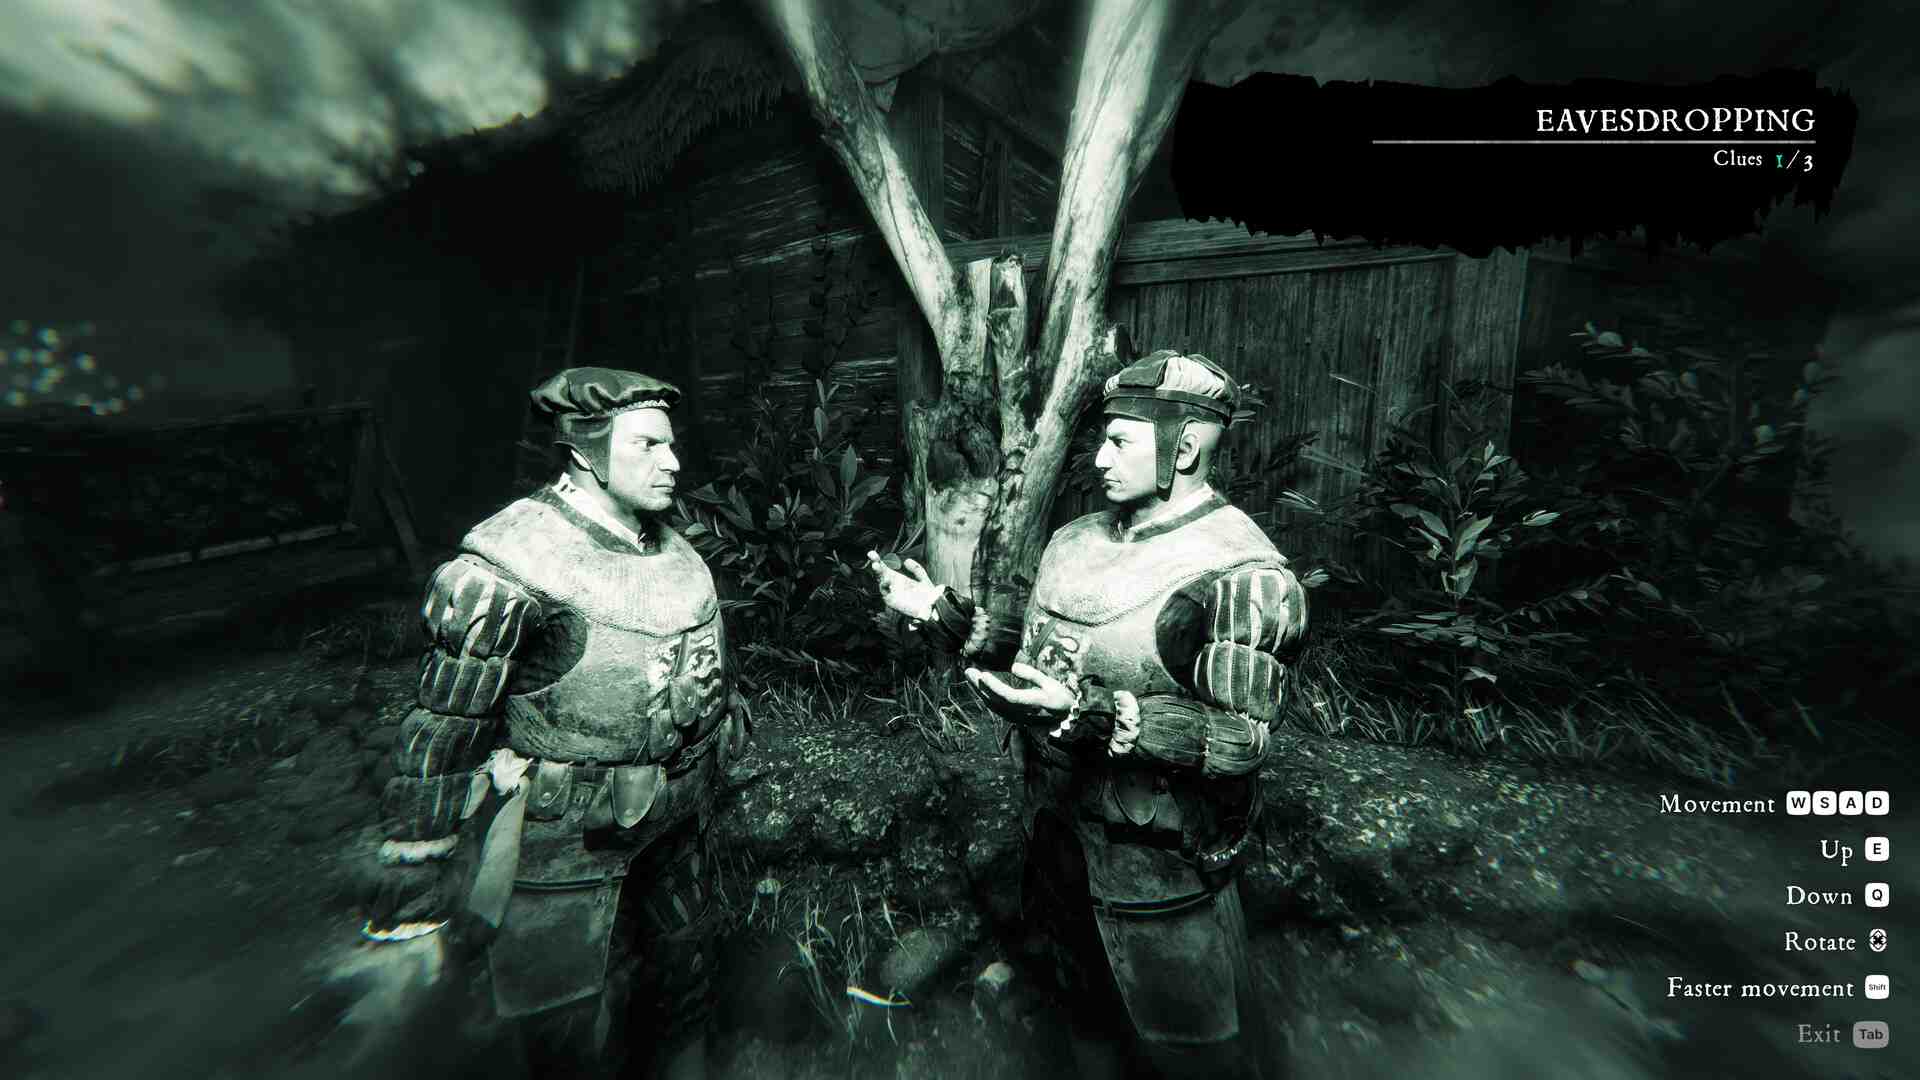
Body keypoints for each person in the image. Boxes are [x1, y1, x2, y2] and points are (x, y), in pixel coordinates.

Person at [869, 350, 1306, 1080]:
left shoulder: (1242, 573)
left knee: (1193, 1050)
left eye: (1120, 440)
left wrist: (1097, 716)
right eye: (1104, 438)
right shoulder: (1075, 541)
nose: (1100, 457)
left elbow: (1242, 736)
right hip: (1056, 837)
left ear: (1184, 447)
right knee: (1080, 1017)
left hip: (1158, 867)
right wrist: (944, 615)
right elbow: (1042, 645)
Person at [358, 367, 750, 1080]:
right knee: (559, 1029)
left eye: (671, 444)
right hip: (561, 838)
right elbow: (442, 732)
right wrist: (413, 897)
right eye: (648, 445)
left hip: (677, 820)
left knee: (683, 985)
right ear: (586, 454)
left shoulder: (673, 545)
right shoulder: (511, 562)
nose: (673, 461)